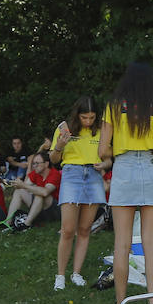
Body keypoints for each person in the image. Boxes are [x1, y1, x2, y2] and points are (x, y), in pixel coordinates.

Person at [98, 62, 153, 304]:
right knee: (150, 241)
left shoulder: (113, 106)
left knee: (122, 244)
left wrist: (117, 149)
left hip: (124, 169)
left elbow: (102, 150)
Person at [52, 96, 106, 291]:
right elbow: (54, 159)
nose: (88, 121)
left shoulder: (101, 129)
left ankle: (76, 273)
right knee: (67, 230)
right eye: (84, 117)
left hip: (93, 175)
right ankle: (60, 275)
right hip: (72, 174)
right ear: (77, 115)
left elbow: (108, 156)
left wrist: (105, 163)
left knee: (84, 229)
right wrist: (59, 145)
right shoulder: (64, 128)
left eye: (92, 117)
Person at [0, 152, 60, 231]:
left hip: (55, 211)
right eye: (33, 163)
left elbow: (45, 192)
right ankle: (8, 222)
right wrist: (15, 184)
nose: (34, 166)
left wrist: (24, 186)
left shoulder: (54, 174)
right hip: (40, 209)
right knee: (19, 191)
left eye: (37, 163)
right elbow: (24, 187)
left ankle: (26, 225)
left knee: (40, 194)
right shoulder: (36, 173)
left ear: (46, 164)